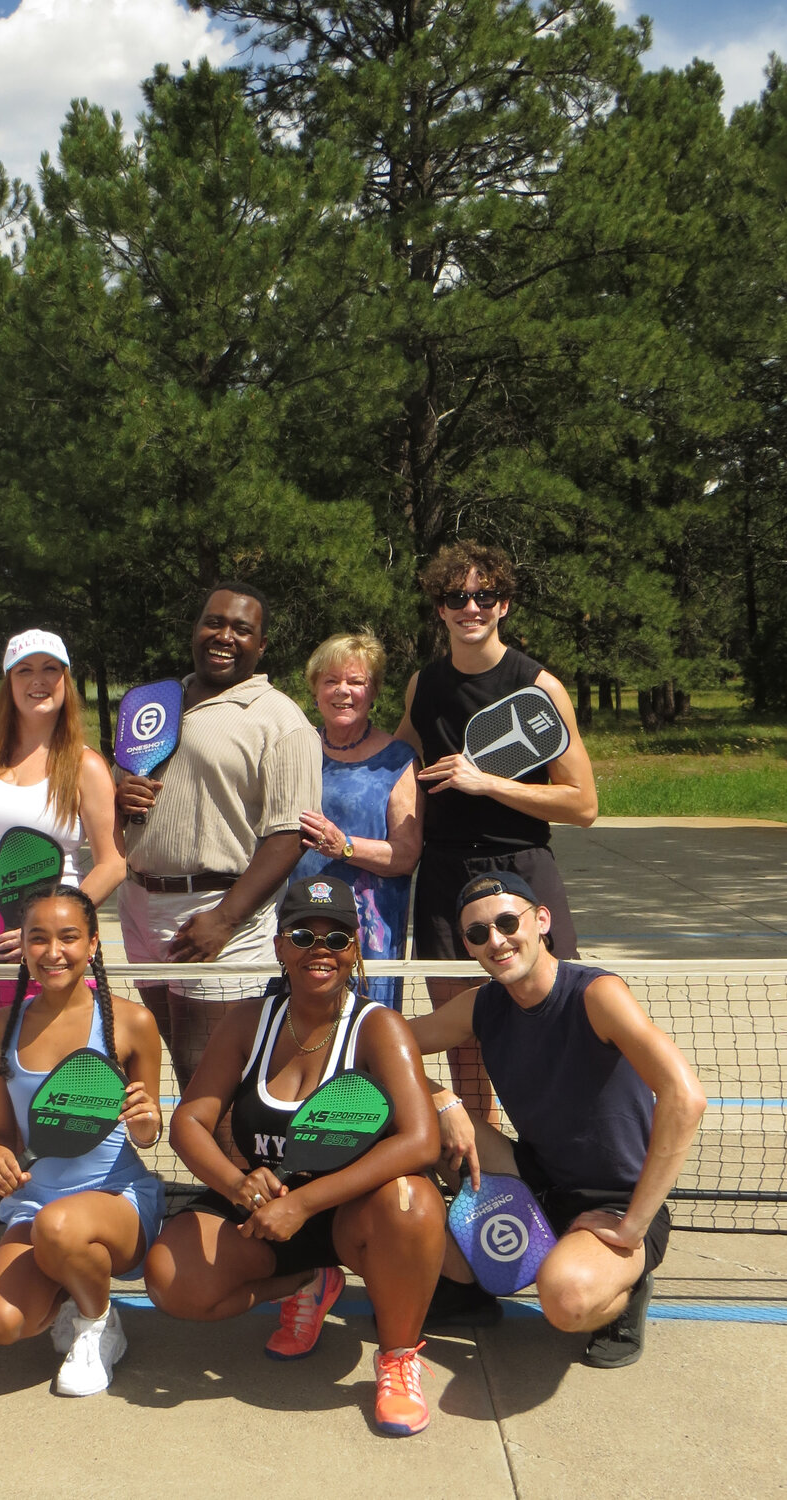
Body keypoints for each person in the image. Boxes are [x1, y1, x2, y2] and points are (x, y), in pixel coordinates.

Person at [144, 876, 446, 1438]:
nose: (320, 951)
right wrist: (237, 1185)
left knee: (415, 1205)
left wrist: (304, 1203)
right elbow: (189, 1122)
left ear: (356, 949)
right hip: (262, 1213)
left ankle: (398, 1358)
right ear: (280, 946)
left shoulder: (379, 1027)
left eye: (337, 939)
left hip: (350, 1216)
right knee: (170, 1281)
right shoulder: (246, 1022)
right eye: (304, 935)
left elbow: (419, 1140)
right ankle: (308, 1281)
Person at [410, 872, 706, 1368]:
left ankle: (625, 1289)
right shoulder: (483, 1004)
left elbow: (685, 1097)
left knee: (564, 1298)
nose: (497, 941)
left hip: (617, 1202)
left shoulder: (596, 995)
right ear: (467, 945)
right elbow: (386, 1045)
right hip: (537, 1179)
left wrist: (634, 1225)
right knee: (410, 1108)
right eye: (478, 933)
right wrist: (442, 1098)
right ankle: (468, 1292)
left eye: (507, 922)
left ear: (542, 920)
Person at [395, 542, 597, 1114]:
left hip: (522, 865)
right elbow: (393, 769)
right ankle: (480, 1171)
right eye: (457, 597)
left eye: (485, 595)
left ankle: (560, 1157)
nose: (471, 608)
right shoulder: (423, 685)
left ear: (504, 604)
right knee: (463, 1038)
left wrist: (488, 783)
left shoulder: (540, 688)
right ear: (440, 608)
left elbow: (582, 805)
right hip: (444, 873)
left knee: (553, 1018)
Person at [115, 582, 321, 1089]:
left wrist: (225, 919)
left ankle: (237, 1172)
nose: (224, 636)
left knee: (210, 1079)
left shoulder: (280, 720)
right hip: (140, 909)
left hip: (215, 916)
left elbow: (290, 835)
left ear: (262, 645)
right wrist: (119, 795)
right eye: (214, 622)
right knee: (185, 1071)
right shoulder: (155, 704)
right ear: (195, 629)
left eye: (241, 629)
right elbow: (124, 787)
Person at [0, 886, 165, 1397]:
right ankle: (68, 1286)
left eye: (69, 938)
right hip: (35, 1203)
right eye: (38, 938)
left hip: (115, 1201)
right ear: (23, 946)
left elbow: (147, 1134)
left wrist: (146, 1124)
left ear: (94, 945)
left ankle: (97, 1323)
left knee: (58, 1228)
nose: (53, 952)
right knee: (0, 1322)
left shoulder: (133, 1022)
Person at [0, 629, 125, 1018]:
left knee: (59, 1039)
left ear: (66, 681)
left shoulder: (86, 765)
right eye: (24, 671)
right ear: (8, 683)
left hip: (53, 934)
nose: (38, 680)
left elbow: (112, 863)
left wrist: (50, 920)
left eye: (49, 669)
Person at [294, 630, 421, 1010]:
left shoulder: (397, 758)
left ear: (373, 691)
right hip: (301, 922)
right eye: (330, 681)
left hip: (368, 931)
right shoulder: (296, 748)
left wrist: (344, 845)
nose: (342, 691)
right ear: (315, 690)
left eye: (355, 681)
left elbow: (406, 855)